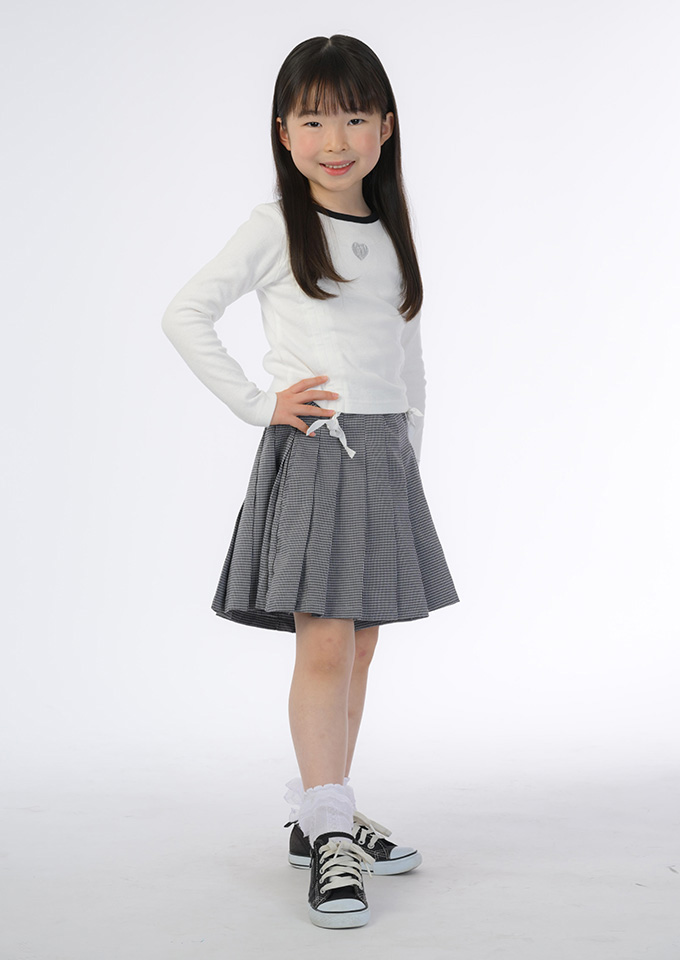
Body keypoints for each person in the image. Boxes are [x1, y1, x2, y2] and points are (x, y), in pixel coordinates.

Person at [161, 34, 460, 929]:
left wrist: (409, 450)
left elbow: (407, 356)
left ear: (386, 128)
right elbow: (186, 313)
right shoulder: (275, 226)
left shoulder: (393, 233)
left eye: (355, 118)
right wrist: (260, 404)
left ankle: (322, 809)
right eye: (315, 120)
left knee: (361, 645)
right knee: (324, 642)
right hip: (319, 450)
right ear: (283, 132)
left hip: (384, 458)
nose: (336, 140)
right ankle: (330, 831)